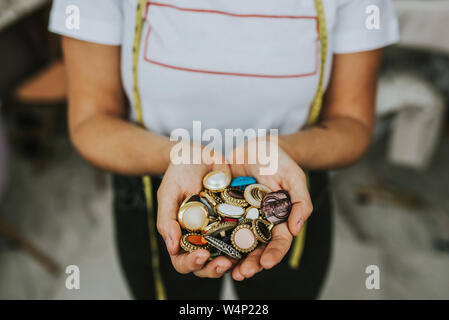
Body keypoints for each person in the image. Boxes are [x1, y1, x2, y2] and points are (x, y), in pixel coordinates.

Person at [49, 0, 399, 299]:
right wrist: (178, 156)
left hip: (287, 191)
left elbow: (353, 123)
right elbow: (91, 122)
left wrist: (280, 149)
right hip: (153, 190)